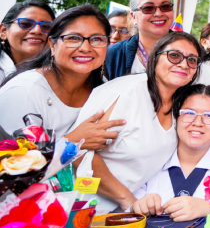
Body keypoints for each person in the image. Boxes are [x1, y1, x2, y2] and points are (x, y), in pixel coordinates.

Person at [73, 31, 202, 213]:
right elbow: (78, 153)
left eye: (192, 60)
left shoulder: (180, 105)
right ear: (154, 58)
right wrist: (127, 199)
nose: (183, 64)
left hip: (126, 213)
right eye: (174, 56)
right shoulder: (126, 93)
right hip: (82, 208)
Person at [0, 5, 124, 150]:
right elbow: (14, 161)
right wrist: (72, 141)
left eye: (97, 39)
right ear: (52, 45)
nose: (85, 47)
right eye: (73, 38)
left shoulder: (104, 88)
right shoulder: (24, 92)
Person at [130, 84, 210, 221]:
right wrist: (140, 205)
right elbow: (129, 203)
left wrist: (208, 208)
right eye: (189, 113)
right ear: (176, 116)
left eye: (209, 116)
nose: (198, 122)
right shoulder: (154, 157)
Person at [104, 0, 175, 80]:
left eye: (165, 6)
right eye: (148, 8)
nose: (159, 13)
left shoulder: (192, 52)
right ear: (133, 16)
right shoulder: (113, 54)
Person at [0, 0, 56, 81]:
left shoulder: (58, 75)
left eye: (46, 26)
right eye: (25, 24)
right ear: (4, 31)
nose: (37, 31)